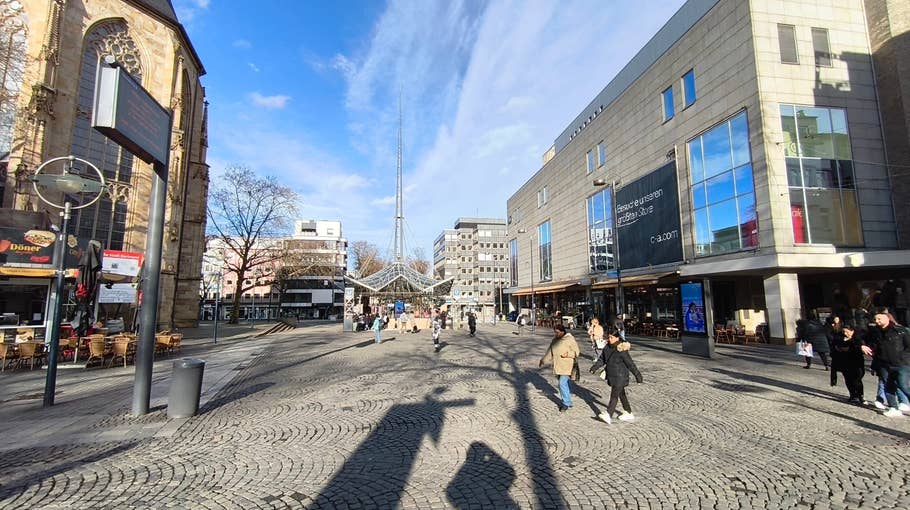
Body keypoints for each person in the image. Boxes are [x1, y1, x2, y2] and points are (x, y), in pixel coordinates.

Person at [862, 308, 910, 417]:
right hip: (884, 363)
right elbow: (861, 337)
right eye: (875, 319)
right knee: (888, 386)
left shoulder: (900, 330)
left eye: (879, 318)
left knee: (903, 385)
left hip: (901, 364)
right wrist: (862, 345)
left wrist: (904, 358)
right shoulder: (874, 332)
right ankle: (893, 407)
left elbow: (908, 346)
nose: (877, 321)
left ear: (887, 318)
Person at [590, 326, 643, 424]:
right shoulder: (607, 348)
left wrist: (638, 376)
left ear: (617, 338)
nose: (610, 339)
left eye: (612, 338)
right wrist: (594, 368)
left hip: (620, 376)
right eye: (609, 337)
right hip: (612, 375)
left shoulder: (622, 350)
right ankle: (628, 412)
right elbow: (602, 360)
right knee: (621, 394)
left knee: (614, 395)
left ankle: (608, 414)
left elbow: (630, 364)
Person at [538, 324, 580, 412]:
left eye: (557, 332)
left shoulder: (569, 339)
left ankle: (565, 403)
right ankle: (568, 400)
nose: (556, 334)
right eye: (555, 332)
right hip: (558, 366)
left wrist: (568, 354)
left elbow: (577, 352)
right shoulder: (554, 340)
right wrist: (543, 360)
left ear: (562, 331)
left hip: (567, 366)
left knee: (562, 383)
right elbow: (550, 352)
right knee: (564, 384)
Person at [829, 323, 867, 405]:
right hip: (844, 362)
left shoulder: (857, 339)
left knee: (857, 379)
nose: (845, 333)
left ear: (852, 331)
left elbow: (861, 346)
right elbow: (833, 347)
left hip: (856, 362)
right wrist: (839, 349)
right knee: (848, 379)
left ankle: (861, 396)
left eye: (847, 331)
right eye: (843, 331)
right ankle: (853, 395)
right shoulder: (839, 338)